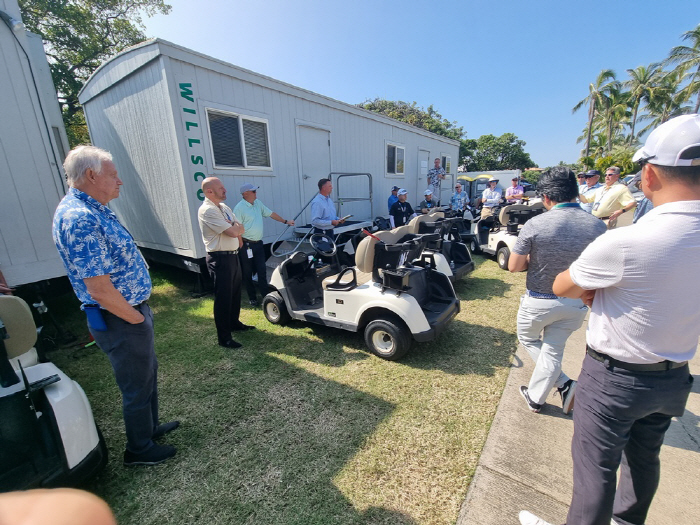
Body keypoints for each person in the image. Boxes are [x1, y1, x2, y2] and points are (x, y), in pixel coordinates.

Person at [520, 114, 700, 525]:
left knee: (595, 470)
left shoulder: (627, 240)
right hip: (674, 375)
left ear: (649, 175)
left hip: (616, 377)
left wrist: (592, 286)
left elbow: (565, 283)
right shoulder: (602, 229)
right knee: (643, 461)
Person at [52, 145, 178, 467]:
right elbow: (99, 288)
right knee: (136, 383)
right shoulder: (80, 218)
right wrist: (135, 319)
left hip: (128, 313)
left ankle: (149, 430)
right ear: (92, 175)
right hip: (119, 317)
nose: (120, 181)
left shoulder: (95, 207)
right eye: (113, 174)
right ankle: (138, 449)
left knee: (147, 373)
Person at [508, 167, 606, 415]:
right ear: (576, 192)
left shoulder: (535, 223)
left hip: (539, 299)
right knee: (553, 348)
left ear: (546, 197)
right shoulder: (598, 227)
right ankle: (536, 397)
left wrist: (536, 260)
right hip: (576, 302)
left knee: (529, 339)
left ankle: (563, 383)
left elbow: (514, 266)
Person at [198, 177, 253, 350]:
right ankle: (224, 337)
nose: (225, 190)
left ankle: (234, 323)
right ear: (209, 192)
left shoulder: (224, 207)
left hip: (233, 255)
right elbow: (232, 231)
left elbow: (239, 227)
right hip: (219, 258)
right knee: (223, 297)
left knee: (235, 292)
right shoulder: (207, 210)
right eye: (221, 188)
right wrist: (235, 228)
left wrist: (236, 228)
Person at [233, 183, 294, 307]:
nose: (256, 193)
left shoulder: (258, 203)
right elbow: (236, 227)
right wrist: (240, 243)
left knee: (261, 270)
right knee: (248, 272)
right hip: (246, 245)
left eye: (255, 191)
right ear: (245, 194)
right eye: (253, 191)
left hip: (258, 244)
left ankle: (265, 294)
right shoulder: (239, 208)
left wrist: (285, 221)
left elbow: (271, 214)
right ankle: (252, 297)